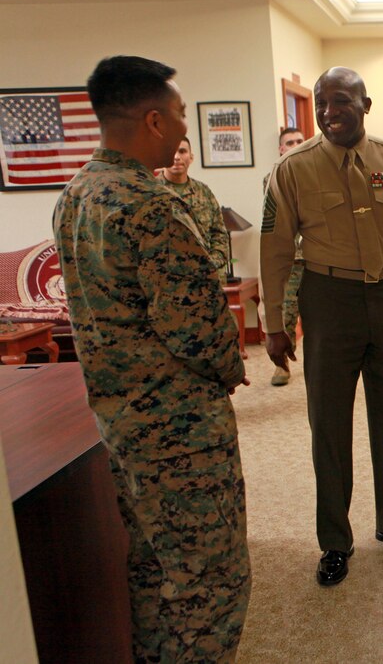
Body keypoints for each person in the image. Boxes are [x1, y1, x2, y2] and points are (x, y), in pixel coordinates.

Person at [53, 55, 251, 661]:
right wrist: (230, 367)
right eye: (183, 118)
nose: (188, 131)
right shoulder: (152, 206)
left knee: (152, 565)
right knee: (208, 580)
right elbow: (197, 330)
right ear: (155, 120)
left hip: (119, 422)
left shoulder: (76, 194)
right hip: (180, 431)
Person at [260, 66, 383, 587]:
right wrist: (274, 323)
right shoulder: (293, 169)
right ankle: (335, 541)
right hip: (328, 300)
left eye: (340, 102)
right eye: (321, 104)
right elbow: (274, 251)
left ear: (365, 105)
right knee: (329, 425)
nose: (328, 113)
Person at [263, 126, 306, 386]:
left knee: (320, 314)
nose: (295, 145)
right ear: (281, 148)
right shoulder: (272, 178)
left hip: (316, 258)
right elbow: (276, 222)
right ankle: (282, 365)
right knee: (287, 313)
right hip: (291, 258)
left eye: (300, 141)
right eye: (289, 142)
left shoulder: (319, 173)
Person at [158, 136, 230, 283]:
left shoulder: (203, 192)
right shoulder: (151, 191)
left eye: (182, 151)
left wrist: (211, 264)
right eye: (171, 151)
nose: (176, 157)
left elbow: (219, 234)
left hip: (205, 280)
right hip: (168, 283)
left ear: (191, 157)